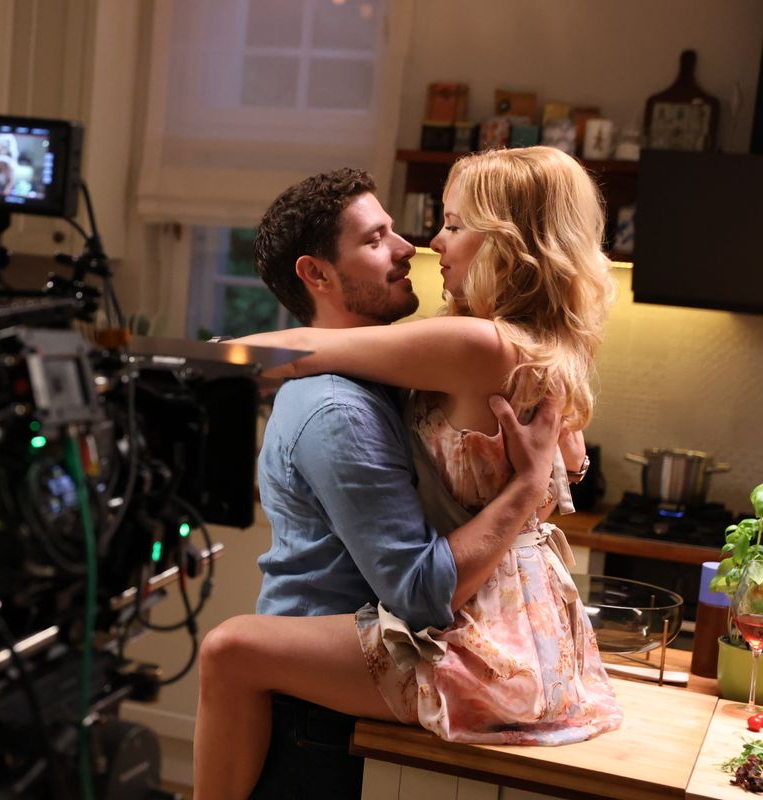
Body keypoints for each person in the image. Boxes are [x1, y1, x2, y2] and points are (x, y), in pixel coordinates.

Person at [194, 150, 621, 799]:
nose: (422, 244)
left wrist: (207, 359)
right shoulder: (505, 342)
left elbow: (301, 350)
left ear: (507, 245)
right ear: (316, 273)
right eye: (377, 237)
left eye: (453, 224)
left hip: (485, 630)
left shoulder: (480, 345)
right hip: (515, 620)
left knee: (228, 648)